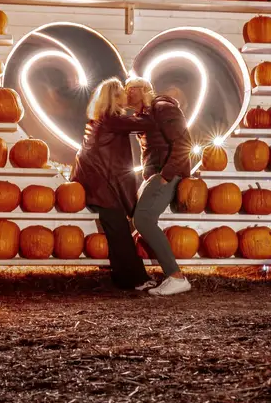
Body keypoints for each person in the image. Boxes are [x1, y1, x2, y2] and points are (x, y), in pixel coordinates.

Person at [72, 78, 157, 291]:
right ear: (114, 98)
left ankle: (124, 277)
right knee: (119, 231)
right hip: (102, 187)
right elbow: (148, 123)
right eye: (122, 92)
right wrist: (149, 102)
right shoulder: (112, 120)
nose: (126, 95)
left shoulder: (101, 119)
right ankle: (136, 279)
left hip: (93, 184)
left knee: (117, 230)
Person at [125, 78, 193, 296]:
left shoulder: (162, 108)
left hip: (166, 173)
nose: (125, 93)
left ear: (142, 90)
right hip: (156, 174)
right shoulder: (144, 115)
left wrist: (166, 175)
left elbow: (184, 143)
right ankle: (152, 275)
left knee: (143, 219)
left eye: (129, 88)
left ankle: (176, 277)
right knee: (138, 220)